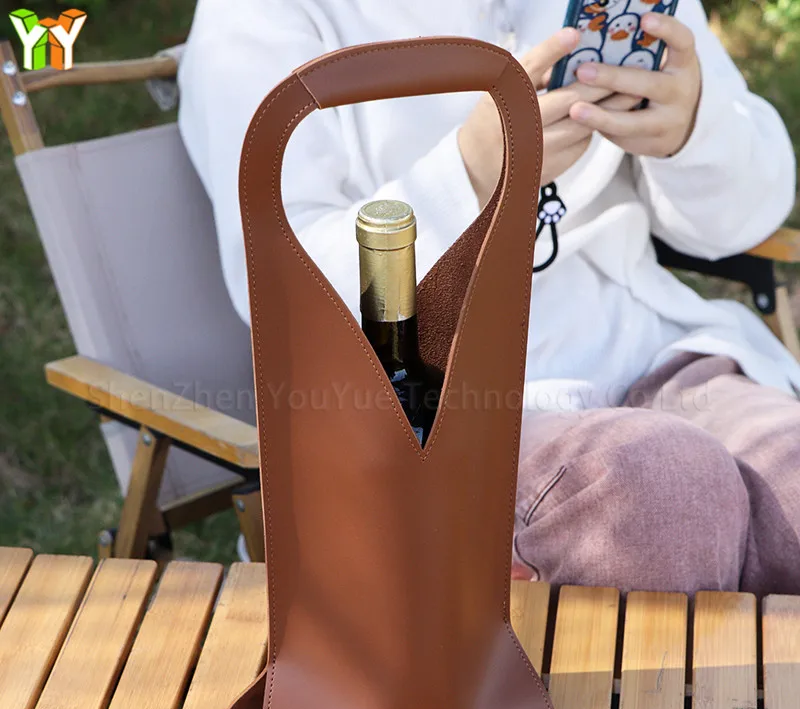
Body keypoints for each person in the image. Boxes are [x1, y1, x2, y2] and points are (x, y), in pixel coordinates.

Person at [177, 0, 800, 597]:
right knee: (662, 491)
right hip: (443, 403)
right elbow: (284, 290)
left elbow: (745, 218)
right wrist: (468, 174)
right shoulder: (259, 16)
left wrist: (692, 132)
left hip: (646, 347)